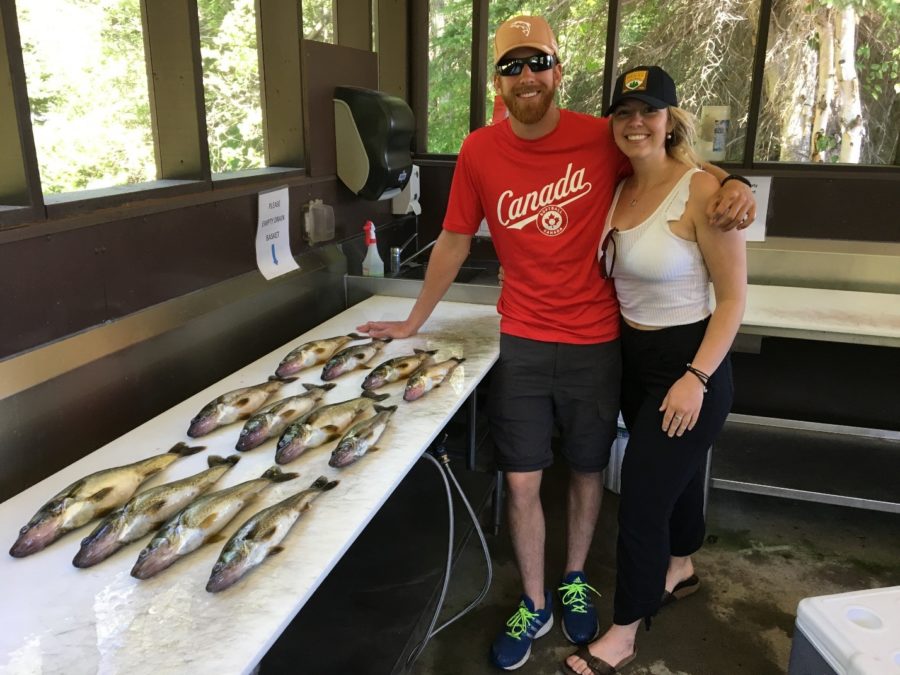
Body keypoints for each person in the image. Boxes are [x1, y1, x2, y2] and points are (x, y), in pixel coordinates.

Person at [356, 16, 754, 671]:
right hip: (525, 341)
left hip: (600, 340)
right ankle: (535, 599)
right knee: (520, 479)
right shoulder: (481, 150)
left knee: (592, 471)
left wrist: (733, 180)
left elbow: (669, 151)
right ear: (498, 82)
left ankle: (575, 577)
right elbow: (455, 239)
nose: (526, 77)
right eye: (511, 66)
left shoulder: (600, 135)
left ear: (558, 70)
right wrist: (411, 320)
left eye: (537, 62)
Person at [563, 66, 747, 675]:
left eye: (649, 110)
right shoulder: (619, 186)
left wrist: (694, 378)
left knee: (640, 497)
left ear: (671, 120)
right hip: (634, 359)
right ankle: (681, 566)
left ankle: (625, 630)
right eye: (623, 112)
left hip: (690, 361)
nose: (636, 123)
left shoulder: (701, 192)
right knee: (674, 474)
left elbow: (733, 301)